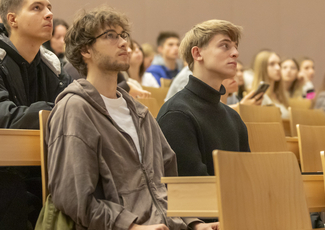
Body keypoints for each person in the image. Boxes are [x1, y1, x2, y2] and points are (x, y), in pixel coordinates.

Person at [47, 6, 218, 230]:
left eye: (123, 35)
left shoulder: (140, 112)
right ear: (85, 50)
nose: (123, 42)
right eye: (110, 36)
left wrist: (194, 223)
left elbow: (167, 184)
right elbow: (72, 197)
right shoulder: (75, 108)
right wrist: (132, 227)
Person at [0, 0, 72, 228]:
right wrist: (52, 109)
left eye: (49, 7)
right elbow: (5, 118)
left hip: (47, 173)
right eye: (37, 7)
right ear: (13, 20)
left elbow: (76, 108)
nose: (49, 14)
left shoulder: (53, 65)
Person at [157, 19, 251, 177]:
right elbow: (192, 189)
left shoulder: (234, 118)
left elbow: (247, 178)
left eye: (235, 46)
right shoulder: (177, 114)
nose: (235, 53)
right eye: (225, 45)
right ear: (197, 53)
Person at [251, 51, 289, 119]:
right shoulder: (259, 97)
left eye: (279, 64)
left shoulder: (280, 95)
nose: (278, 68)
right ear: (262, 68)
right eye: (272, 64)